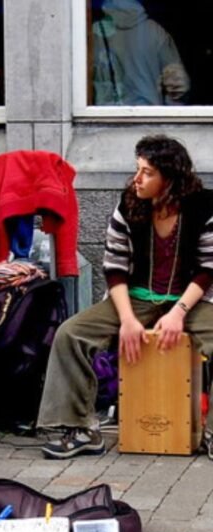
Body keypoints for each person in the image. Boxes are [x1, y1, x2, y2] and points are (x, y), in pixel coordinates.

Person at [37, 135, 213, 459]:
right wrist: (128, 320)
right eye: (137, 169)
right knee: (70, 334)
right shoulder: (129, 204)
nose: (137, 178)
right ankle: (78, 429)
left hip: (192, 300)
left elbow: (208, 268)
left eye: (147, 172)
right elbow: (114, 267)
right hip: (134, 298)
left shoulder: (203, 206)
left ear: (169, 177)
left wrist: (177, 313)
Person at [92, 0, 190, 106]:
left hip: (105, 117)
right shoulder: (155, 31)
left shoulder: (92, 33)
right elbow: (177, 86)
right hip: (149, 115)